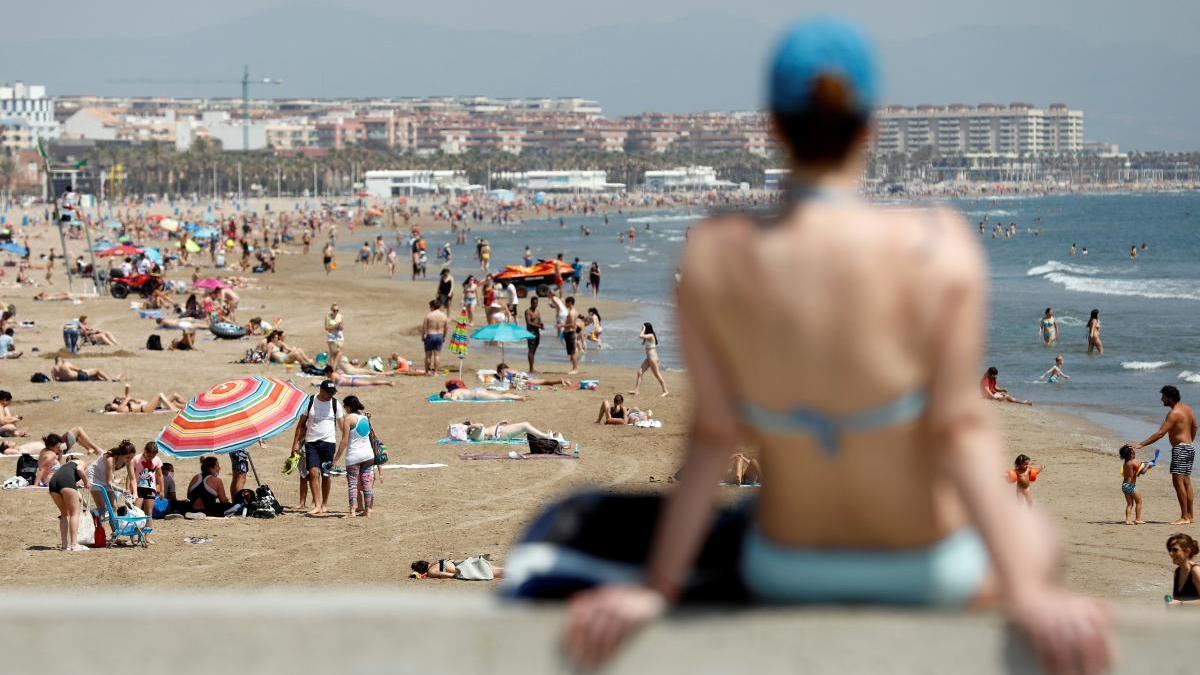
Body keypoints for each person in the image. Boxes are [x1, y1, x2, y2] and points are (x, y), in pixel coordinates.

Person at [556, 20, 1111, 672]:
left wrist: (657, 588)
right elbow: (961, 430)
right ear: (871, 124)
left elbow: (711, 436)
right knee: (1037, 533)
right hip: (920, 564)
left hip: (789, 563)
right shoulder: (937, 246)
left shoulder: (716, 252)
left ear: (774, 125)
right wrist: (1030, 592)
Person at [1128, 385, 1197, 525]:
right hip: (1189, 448)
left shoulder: (1174, 413)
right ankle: (1190, 516)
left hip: (1180, 450)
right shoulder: (1187, 409)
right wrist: (1189, 440)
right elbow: (1195, 426)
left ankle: (1184, 517)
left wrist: (1142, 444)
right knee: (1187, 483)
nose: (1161, 399)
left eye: (1163, 397)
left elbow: (1160, 433)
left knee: (1178, 484)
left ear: (1169, 398)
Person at [289, 379, 345, 516]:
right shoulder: (310, 401)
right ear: (321, 390)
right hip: (311, 443)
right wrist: (295, 443)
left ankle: (324, 504)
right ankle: (317, 504)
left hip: (329, 443)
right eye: (329, 392)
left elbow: (343, 427)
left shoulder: (335, 403)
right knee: (313, 473)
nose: (331, 395)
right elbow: (301, 425)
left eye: (333, 392)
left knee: (326, 475)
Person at [332, 395, 377, 517]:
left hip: (354, 456)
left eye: (345, 406)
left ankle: (352, 510)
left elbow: (344, 441)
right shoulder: (365, 418)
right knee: (367, 484)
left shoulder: (348, 419)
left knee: (352, 484)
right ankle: (368, 510)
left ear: (349, 407)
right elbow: (371, 437)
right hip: (368, 455)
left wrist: (336, 459)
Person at [48, 457, 93, 551]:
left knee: (64, 514)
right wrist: (86, 482)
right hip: (65, 483)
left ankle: (64, 545)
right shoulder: (81, 462)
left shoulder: (65, 468)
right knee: (74, 514)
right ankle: (74, 544)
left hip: (53, 483)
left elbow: (76, 495)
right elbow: (80, 469)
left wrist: (86, 505)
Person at [87, 440, 136, 509]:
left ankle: (110, 519)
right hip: (95, 477)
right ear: (121, 455)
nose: (130, 460)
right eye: (127, 457)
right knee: (102, 507)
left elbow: (132, 478)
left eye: (132, 457)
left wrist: (135, 493)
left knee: (114, 507)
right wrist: (122, 490)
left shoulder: (130, 461)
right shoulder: (110, 459)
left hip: (107, 478)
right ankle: (95, 515)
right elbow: (109, 483)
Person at [630, 322, 669, 397]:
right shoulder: (647, 336)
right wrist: (643, 329)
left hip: (653, 359)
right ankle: (636, 390)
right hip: (648, 359)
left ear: (646, 328)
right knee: (639, 372)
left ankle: (665, 391)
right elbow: (642, 336)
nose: (641, 329)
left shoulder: (651, 335)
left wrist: (643, 329)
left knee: (657, 375)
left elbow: (640, 336)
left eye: (643, 328)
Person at [102, 384, 188, 413]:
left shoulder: (126, 405)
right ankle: (174, 410)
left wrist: (131, 399)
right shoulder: (120, 409)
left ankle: (190, 404)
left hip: (149, 405)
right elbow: (127, 398)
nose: (119, 402)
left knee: (175, 395)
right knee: (160, 395)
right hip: (145, 409)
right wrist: (127, 398)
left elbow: (132, 399)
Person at [1166, 533, 1200, 605]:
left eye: (1175, 550)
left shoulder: (1196, 571)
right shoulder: (1178, 571)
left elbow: (1179, 602)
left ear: (1187, 551)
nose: (1171, 553)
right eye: (1169, 550)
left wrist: (1181, 603)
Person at [133, 442, 164, 519]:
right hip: (138, 488)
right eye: (149, 456)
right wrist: (128, 488)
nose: (151, 458)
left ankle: (147, 530)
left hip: (150, 488)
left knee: (149, 512)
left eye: (153, 456)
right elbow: (131, 475)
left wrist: (162, 490)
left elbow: (160, 476)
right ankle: (137, 529)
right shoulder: (136, 459)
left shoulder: (157, 460)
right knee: (136, 510)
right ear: (145, 451)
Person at [1119, 445, 1147, 525]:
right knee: (1139, 502)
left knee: (1130, 504)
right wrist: (1149, 465)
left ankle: (1128, 520)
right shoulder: (1132, 463)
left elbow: (1134, 473)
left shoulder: (1126, 463)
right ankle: (1138, 519)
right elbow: (1143, 471)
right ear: (1129, 455)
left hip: (1124, 485)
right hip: (1131, 486)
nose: (1134, 455)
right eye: (1133, 454)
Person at [421, 299, 449, 376]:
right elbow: (446, 327)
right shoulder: (444, 315)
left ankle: (427, 372)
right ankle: (436, 372)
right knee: (437, 355)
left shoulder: (429, 315)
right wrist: (444, 336)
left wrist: (422, 336)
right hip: (439, 335)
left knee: (428, 355)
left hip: (430, 335)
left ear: (432, 307)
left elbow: (424, 327)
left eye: (430, 307)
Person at [410, 558, 503, 580]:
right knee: (498, 570)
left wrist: (455, 576)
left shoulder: (431, 571)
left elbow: (442, 574)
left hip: (464, 569)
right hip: (465, 562)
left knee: (497, 573)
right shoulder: (436, 562)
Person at [494, 362, 571, 389]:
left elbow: (505, 380)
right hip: (521, 377)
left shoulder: (504, 371)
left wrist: (502, 376)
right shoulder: (509, 369)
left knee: (543, 382)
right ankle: (560, 381)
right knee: (543, 382)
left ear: (500, 370)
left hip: (520, 378)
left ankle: (561, 380)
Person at [52, 356, 119, 382]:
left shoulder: (54, 369)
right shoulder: (66, 364)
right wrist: (83, 370)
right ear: (61, 359)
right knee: (97, 370)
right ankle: (109, 380)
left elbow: (55, 379)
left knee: (94, 377)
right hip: (79, 376)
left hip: (74, 379)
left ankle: (102, 380)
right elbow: (77, 369)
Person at [320, 364, 394, 388]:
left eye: (326, 373)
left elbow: (331, 386)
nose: (326, 375)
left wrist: (319, 384)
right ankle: (387, 382)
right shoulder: (335, 374)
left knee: (371, 383)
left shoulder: (333, 375)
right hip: (352, 381)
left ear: (329, 372)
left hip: (353, 382)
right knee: (371, 383)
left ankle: (387, 382)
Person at [438, 381, 525, 402]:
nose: (447, 398)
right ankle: (514, 395)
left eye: (446, 397)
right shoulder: (455, 390)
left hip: (477, 395)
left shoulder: (454, 393)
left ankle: (519, 397)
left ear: (446, 393)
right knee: (499, 395)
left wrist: (447, 399)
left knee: (500, 397)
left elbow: (453, 399)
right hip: (477, 391)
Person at [525, 296, 544, 373]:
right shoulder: (528, 311)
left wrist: (541, 324)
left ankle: (532, 367)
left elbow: (539, 320)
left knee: (534, 350)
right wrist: (539, 326)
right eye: (534, 303)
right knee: (531, 350)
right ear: (531, 303)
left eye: (536, 303)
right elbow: (528, 322)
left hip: (537, 332)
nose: (535, 304)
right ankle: (531, 368)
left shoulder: (538, 311)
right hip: (530, 332)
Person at [563, 297, 580, 375]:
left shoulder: (572, 312)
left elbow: (573, 324)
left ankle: (575, 368)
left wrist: (562, 325)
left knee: (572, 352)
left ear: (570, 302)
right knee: (572, 351)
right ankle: (574, 368)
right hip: (570, 333)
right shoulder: (574, 311)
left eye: (566, 302)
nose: (565, 304)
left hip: (570, 333)